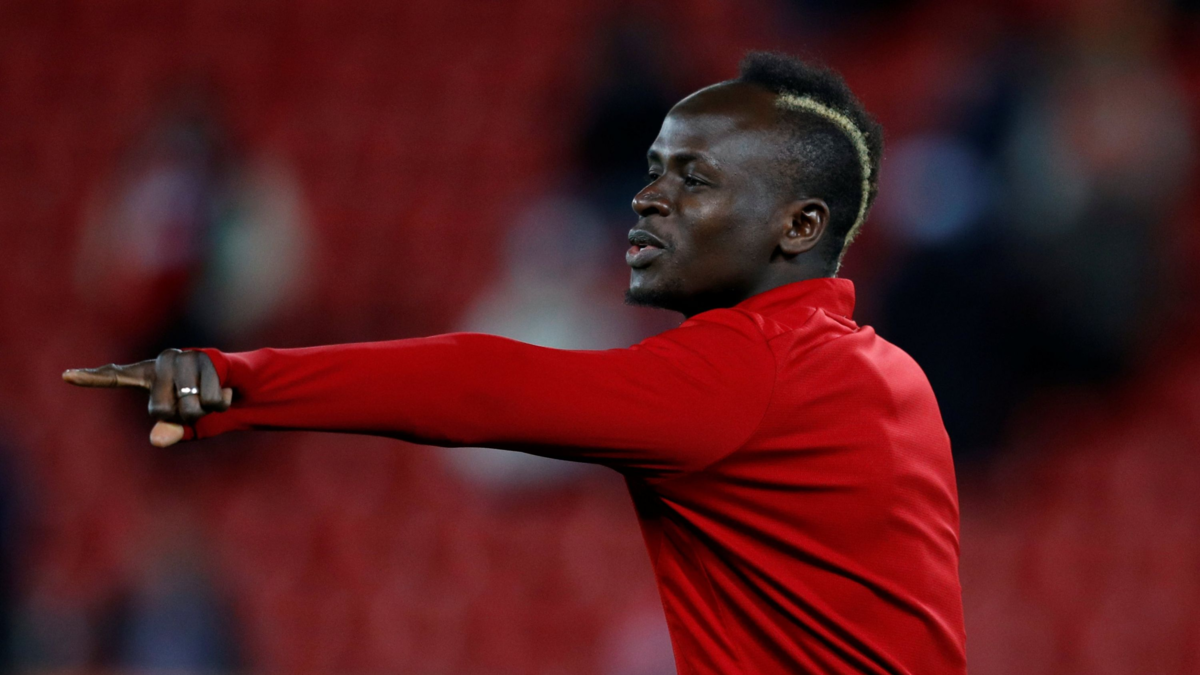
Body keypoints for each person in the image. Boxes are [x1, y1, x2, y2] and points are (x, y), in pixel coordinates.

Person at [64, 52, 967, 674]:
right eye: (657, 171)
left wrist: (240, 380)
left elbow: (476, 385)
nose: (650, 200)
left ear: (798, 226)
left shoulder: (744, 374)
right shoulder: (896, 379)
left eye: (696, 181)